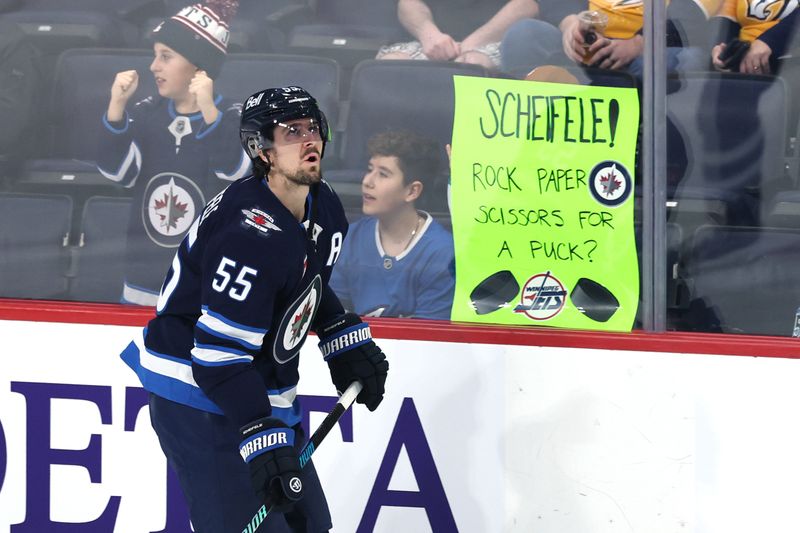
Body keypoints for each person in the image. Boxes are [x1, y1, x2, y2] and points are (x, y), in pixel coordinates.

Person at [118, 86, 389, 532]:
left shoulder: (326, 207)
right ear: (260, 150)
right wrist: (261, 435)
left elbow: (301, 285)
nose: (309, 141)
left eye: (313, 127)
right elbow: (217, 357)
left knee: (310, 527)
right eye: (291, 132)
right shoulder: (248, 234)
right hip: (198, 397)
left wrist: (340, 335)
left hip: (255, 389)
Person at [97, 0, 251, 306]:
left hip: (204, 278)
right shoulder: (147, 112)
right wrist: (116, 110)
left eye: (166, 57)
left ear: (198, 66)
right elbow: (119, 174)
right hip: (145, 275)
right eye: (155, 56)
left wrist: (209, 111)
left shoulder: (235, 115)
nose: (154, 66)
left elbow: (234, 170)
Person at [330, 130, 455, 320]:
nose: (367, 181)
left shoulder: (443, 253)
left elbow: (429, 339)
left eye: (383, 174)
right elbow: (332, 314)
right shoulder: (350, 238)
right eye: (370, 169)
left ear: (412, 191)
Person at [500, 0, 722, 79]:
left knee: (689, 60)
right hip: (585, 50)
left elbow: (688, 15)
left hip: (647, 55)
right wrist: (571, 27)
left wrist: (637, 45)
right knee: (524, 34)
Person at [376, 0, 539, 69]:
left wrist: (469, 45)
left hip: (494, 43)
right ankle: (391, 140)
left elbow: (528, 5)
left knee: (472, 65)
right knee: (389, 65)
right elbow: (408, 3)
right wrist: (430, 36)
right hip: (428, 41)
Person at [711, 0, 799, 75]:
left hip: (790, 65)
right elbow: (731, 25)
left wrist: (769, 41)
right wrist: (723, 50)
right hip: (744, 68)